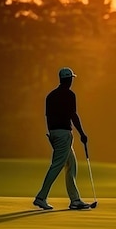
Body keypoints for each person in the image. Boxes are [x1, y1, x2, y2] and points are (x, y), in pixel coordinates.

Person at [33, 67, 90, 210]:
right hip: (64, 135)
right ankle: (41, 197)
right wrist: (82, 134)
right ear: (69, 80)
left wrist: (52, 135)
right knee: (57, 165)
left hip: (54, 133)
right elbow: (73, 115)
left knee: (71, 165)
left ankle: (75, 200)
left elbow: (48, 118)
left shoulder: (50, 96)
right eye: (71, 79)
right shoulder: (70, 95)